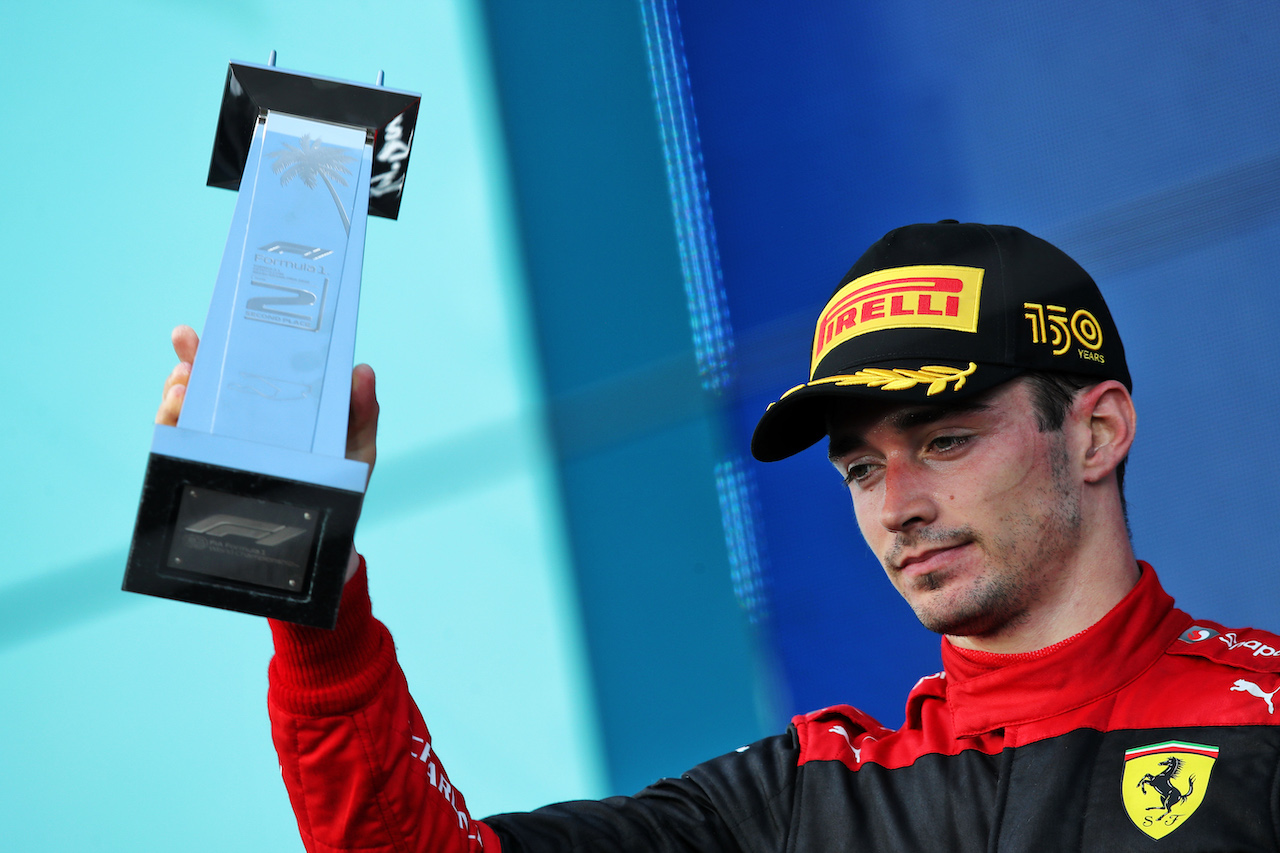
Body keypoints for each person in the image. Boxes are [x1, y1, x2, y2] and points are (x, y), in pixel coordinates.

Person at [157, 221, 1280, 851]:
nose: (895, 504)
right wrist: (300, 572)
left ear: (1094, 433)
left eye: (941, 440)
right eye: (856, 467)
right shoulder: (801, 803)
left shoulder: (1263, 725)